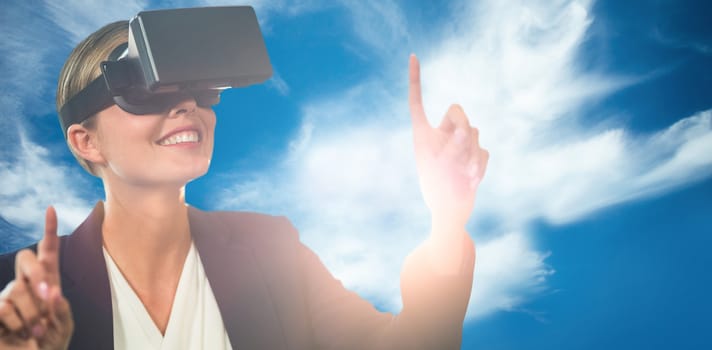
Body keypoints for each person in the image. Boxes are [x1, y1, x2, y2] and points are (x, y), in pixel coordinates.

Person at [0, 15, 489, 350]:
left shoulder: (270, 249)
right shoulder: (12, 290)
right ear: (87, 142)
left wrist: (447, 225)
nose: (185, 103)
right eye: (144, 88)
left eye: (199, 86)